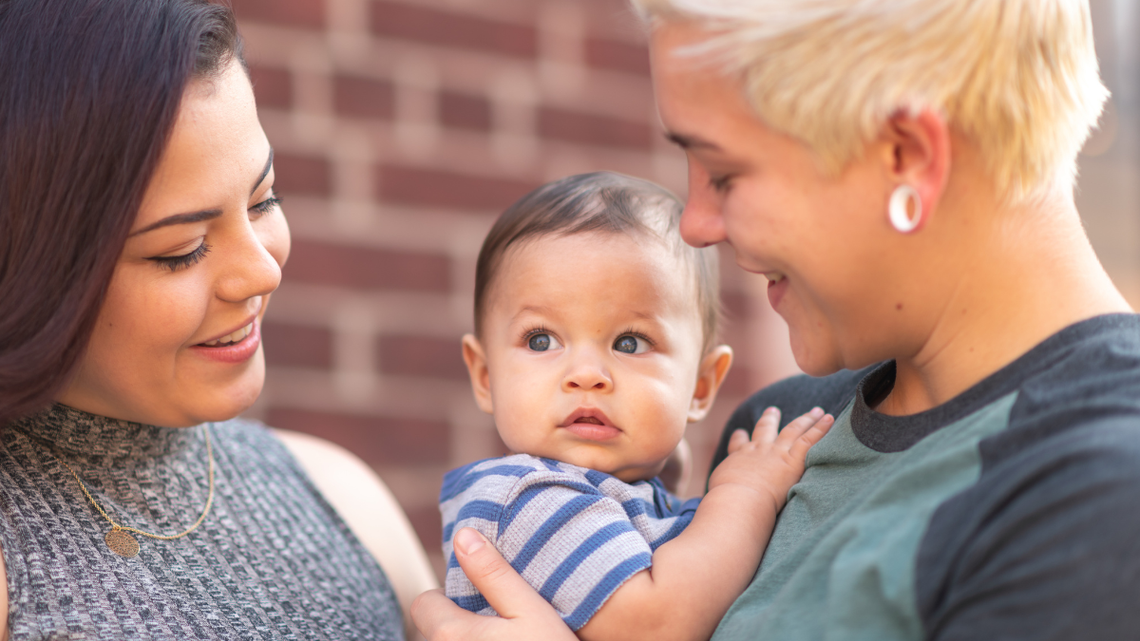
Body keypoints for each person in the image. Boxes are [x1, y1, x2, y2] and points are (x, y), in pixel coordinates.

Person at [410, 1, 1140, 640]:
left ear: (907, 156)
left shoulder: (1096, 498)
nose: (695, 224)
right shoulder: (778, 427)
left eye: (724, 173)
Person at [0, 1, 435, 639]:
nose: (262, 272)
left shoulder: (341, 495)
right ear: (32, 267)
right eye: (182, 250)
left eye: (264, 200)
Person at [442, 172, 833, 639]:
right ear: (486, 378)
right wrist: (745, 494)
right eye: (541, 339)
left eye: (629, 343)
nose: (586, 374)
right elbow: (658, 624)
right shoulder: (526, 497)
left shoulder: (613, 492)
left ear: (701, 386)